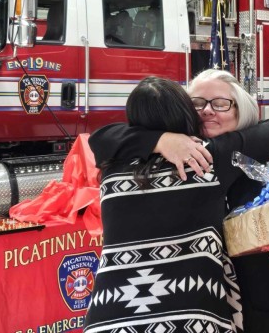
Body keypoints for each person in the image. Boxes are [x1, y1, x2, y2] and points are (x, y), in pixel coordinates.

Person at [89, 69, 269, 333]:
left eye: (221, 103)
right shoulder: (169, 163)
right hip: (202, 315)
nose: (207, 111)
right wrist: (159, 140)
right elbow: (102, 137)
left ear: (242, 110)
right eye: (196, 103)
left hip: (268, 314)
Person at [83, 76, 243, 333]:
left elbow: (99, 138)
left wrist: (156, 140)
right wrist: (166, 140)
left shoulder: (110, 170)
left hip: (110, 315)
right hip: (190, 314)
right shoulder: (207, 161)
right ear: (185, 112)